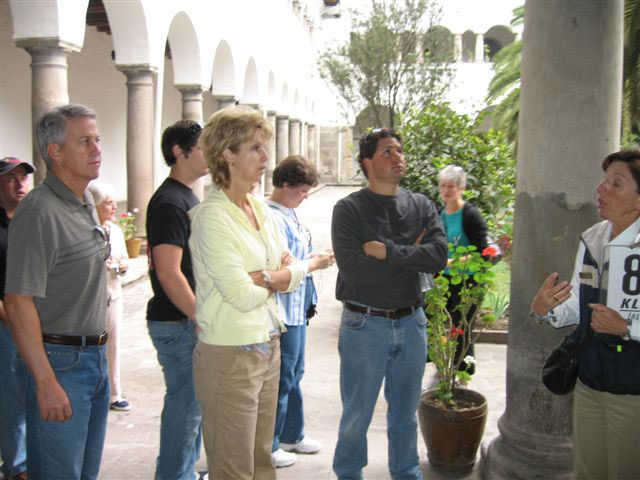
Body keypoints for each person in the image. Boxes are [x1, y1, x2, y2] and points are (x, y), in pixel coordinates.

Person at [190, 107, 333, 480]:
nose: (266, 157)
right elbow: (241, 295)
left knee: (261, 462)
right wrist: (281, 276)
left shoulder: (258, 207)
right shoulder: (212, 217)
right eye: (255, 148)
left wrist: (268, 276)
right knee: (234, 468)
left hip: (268, 342)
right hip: (230, 352)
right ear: (228, 154)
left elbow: (286, 271)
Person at [331, 128, 448, 480]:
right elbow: (356, 272)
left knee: (405, 414)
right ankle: (349, 474)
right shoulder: (349, 209)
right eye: (387, 151)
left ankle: (407, 473)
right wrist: (414, 254)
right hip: (364, 325)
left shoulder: (421, 205)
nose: (398, 157)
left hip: (412, 323)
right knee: (357, 414)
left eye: (400, 150)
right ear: (367, 162)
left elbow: (439, 256)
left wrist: (389, 252)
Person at [4, 104, 109, 480]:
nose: (97, 149)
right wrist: (46, 381)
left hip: (95, 357)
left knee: (84, 473)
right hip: (61, 362)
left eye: (97, 139)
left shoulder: (85, 201)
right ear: (56, 152)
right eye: (84, 141)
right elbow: (18, 301)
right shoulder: (39, 211)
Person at [531, 150, 640, 479]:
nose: (601, 188)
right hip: (590, 381)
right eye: (604, 180)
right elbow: (578, 306)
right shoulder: (593, 239)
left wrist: (628, 327)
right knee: (588, 472)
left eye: (616, 183)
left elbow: (625, 323)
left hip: (633, 389)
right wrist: (547, 309)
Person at [146, 119, 208, 480]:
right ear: (178, 152)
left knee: (192, 412)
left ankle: (183, 473)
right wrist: (201, 317)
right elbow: (169, 273)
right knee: (184, 412)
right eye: (202, 147)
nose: (210, 154)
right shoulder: (170, 201)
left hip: (185, 320)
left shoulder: (185, 195)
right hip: (178, 321)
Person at [266, 155, 334, 468]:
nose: (305, 196)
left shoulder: (289, 213)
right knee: (282, 378)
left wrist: (313, 258)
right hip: (283, 312)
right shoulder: (272, 218)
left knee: (295, 374)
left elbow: (295, 258)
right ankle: (270, 444)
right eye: (302, 190)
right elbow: (281, 267)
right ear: (285, 184)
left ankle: (293, 433)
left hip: (297, 309)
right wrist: (314, 263)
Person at [0, 157, 34, 480]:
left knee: (32, 390)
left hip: (34, 319)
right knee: (11, 394)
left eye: (23, 177)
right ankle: (17, 465)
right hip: (6, 324)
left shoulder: (29, 219)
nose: (20, 183)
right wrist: (10, 317)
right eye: (12, 178)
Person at [437, 165, 488, 375]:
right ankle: (444, 368)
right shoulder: (439, 214)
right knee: (438, 324)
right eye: (442, 186)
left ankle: (464, 374)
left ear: (461, 188)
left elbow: (483, 253)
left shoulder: (470, 215)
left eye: (451, 186)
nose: (446, 190)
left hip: (468, 282)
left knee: (462, 329)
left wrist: (451, 262)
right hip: (443, 281)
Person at [88, 180, 131, 412]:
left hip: (113, 294)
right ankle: (96, 391)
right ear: (95, 206)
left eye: (114, 202)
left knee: (113, 344)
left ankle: (115, 393)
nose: (114, 207)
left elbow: (123, 259)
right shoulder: (87, 231)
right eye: (108, 203)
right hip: (92, 299)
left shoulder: (115, 231)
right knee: (93, 347)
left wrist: (122, 266)